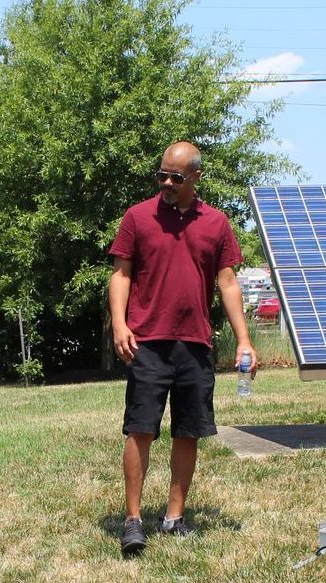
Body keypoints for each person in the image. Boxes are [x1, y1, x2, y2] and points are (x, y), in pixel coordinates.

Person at [108, 140, 256, 557]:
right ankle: (133, 520)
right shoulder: (138, 217)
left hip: (194, 344)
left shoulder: (217, 223)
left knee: (188, 431)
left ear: (196, 178)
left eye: (176, 177)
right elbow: (121, 275)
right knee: (140, 430)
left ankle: (174, 517)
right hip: (147, 341)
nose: (167, 183)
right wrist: (120, 324)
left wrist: (244, 338)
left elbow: (227, 282)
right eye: (162, 175)